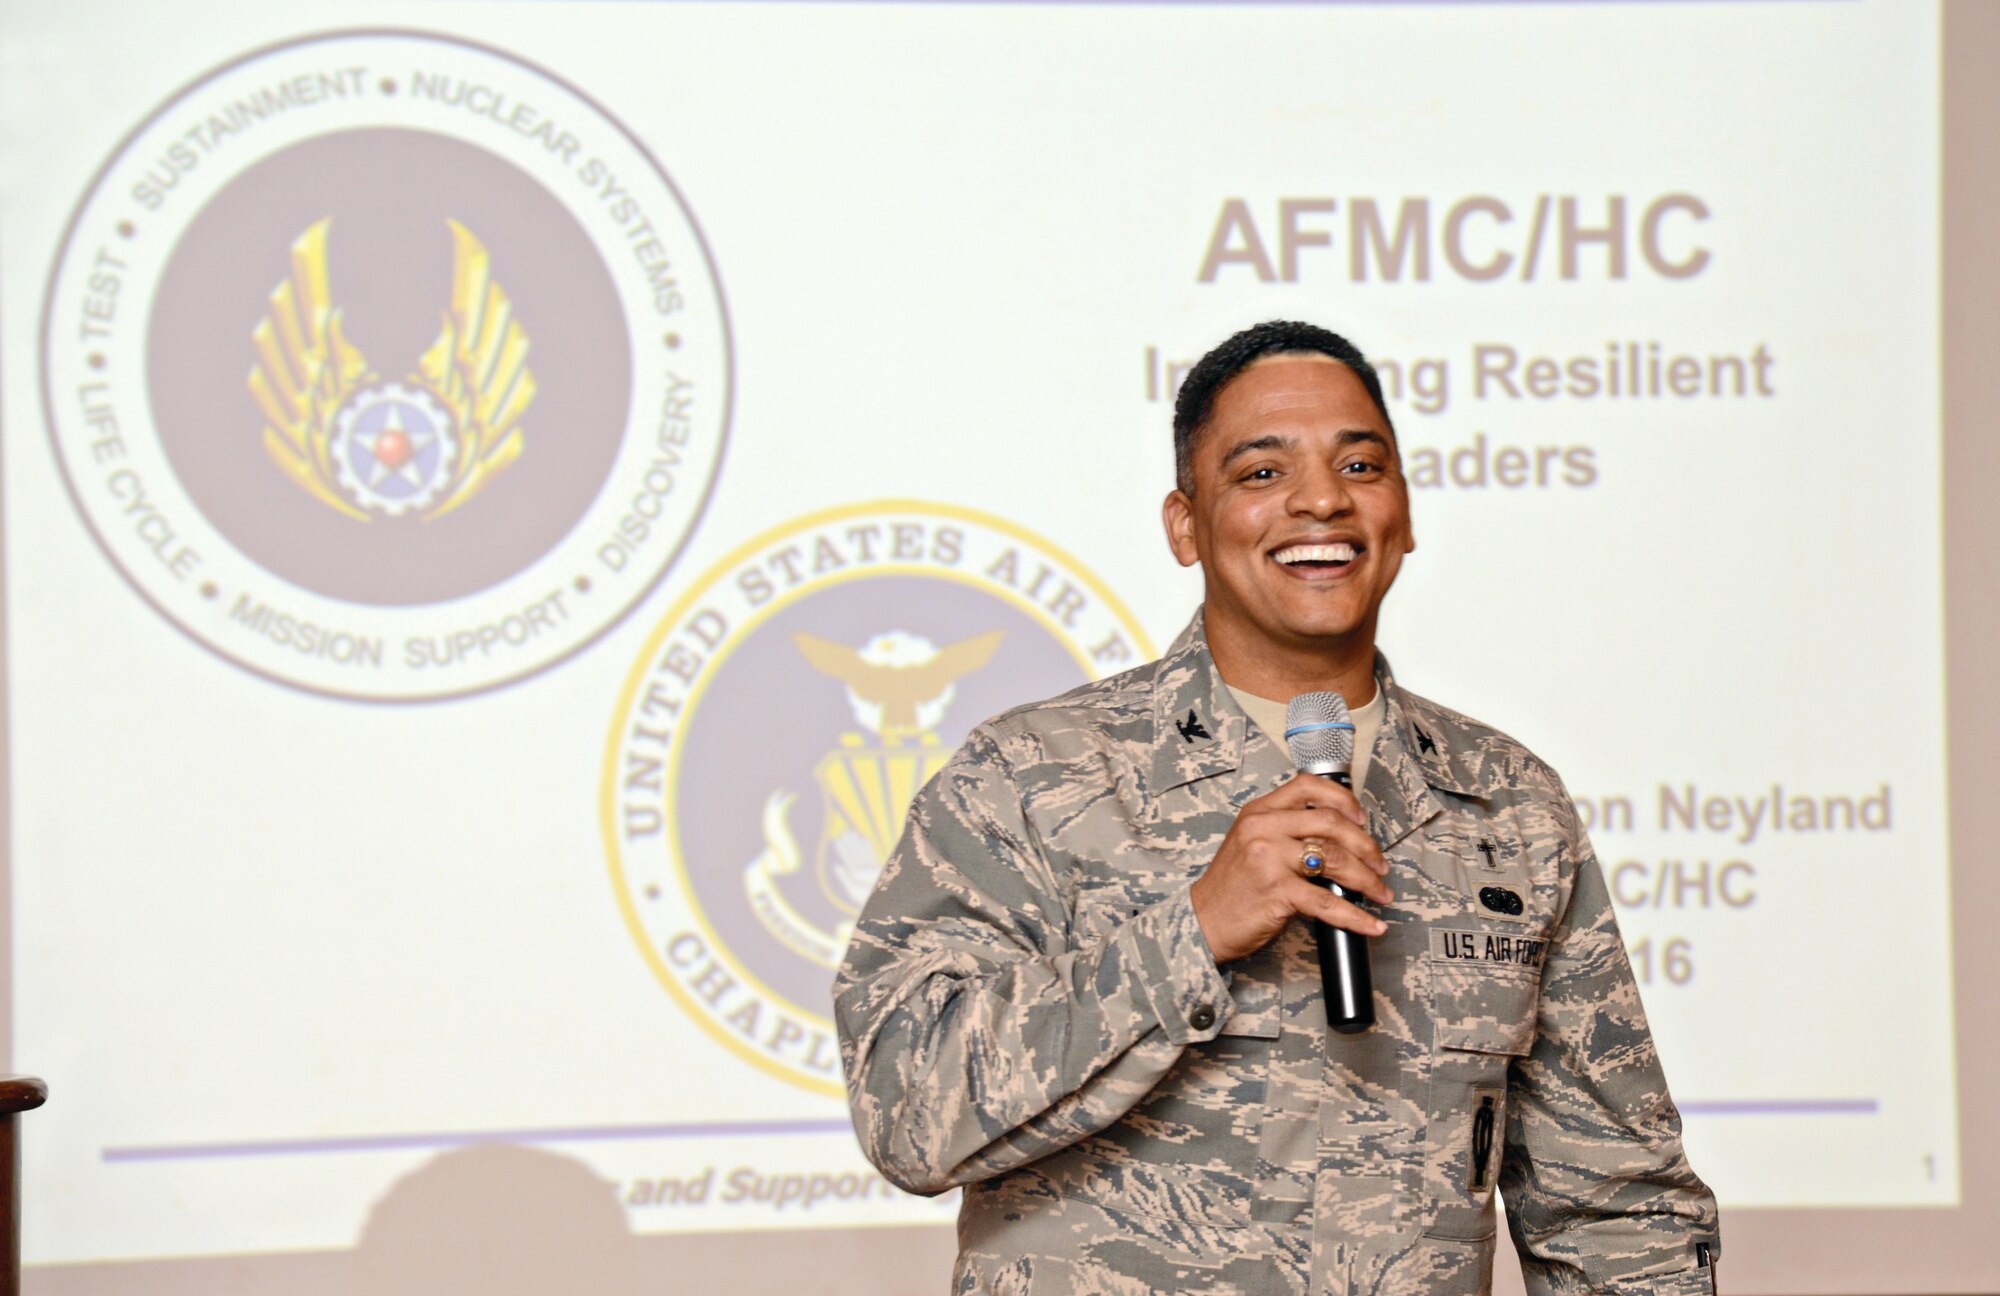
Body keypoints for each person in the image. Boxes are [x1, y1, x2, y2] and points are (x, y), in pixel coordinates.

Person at [834, 321, 1720, 1295]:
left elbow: (1614, 1209)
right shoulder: (1031, 776)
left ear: (1404, 511)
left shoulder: (1507, 806)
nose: (1319, 499)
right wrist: (1190, 934)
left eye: (1359, 463)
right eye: (1260, 473)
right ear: (1184, 523)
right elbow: (905, 1112)